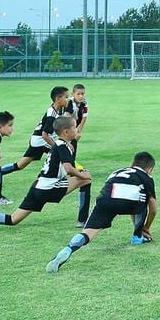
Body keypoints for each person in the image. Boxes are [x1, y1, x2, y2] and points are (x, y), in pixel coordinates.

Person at [0, 116, 92, 233]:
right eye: (74, 127)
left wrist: (75, 149)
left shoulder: (59, 144)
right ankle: (82, 221)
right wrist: (83, 176)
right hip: (50, 187)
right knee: (86, 179)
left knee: (13, 219)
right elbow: (69, 169)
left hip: (38, 187)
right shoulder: (63, 147)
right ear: (66, 132)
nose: (77, 129)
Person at [46, 152, 158, 273]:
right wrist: (146, 227)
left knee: (88, 233)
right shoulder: (147, 177)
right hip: (131, 202)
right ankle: (137, 236)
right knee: (142, 198)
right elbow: (153, 208)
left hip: (105, 201)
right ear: (149, 169)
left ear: (133, 163)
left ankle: (68, 249)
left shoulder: (117, 172)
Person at [0, 86, 71, 204]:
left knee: (20, 165)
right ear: (58, 99)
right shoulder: (51, 114)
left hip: (38, 140)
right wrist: (57, 146)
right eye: (66, 97)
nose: (68, 99)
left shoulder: (59, 108)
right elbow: (45, 135)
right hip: (40, 141)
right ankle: (74, 174)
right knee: (62, 154)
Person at [67, 83, 91, 227]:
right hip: (66, 130)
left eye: (83, 94)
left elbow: (83, 119)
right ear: (73, 94)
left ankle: (71, 170)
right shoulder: (69, 103)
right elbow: (68, 118)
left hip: (73, 130)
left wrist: (78, 131)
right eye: (78, 94)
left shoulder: (85, 103)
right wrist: (72, 133)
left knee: (72, 154)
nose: (81, 96)